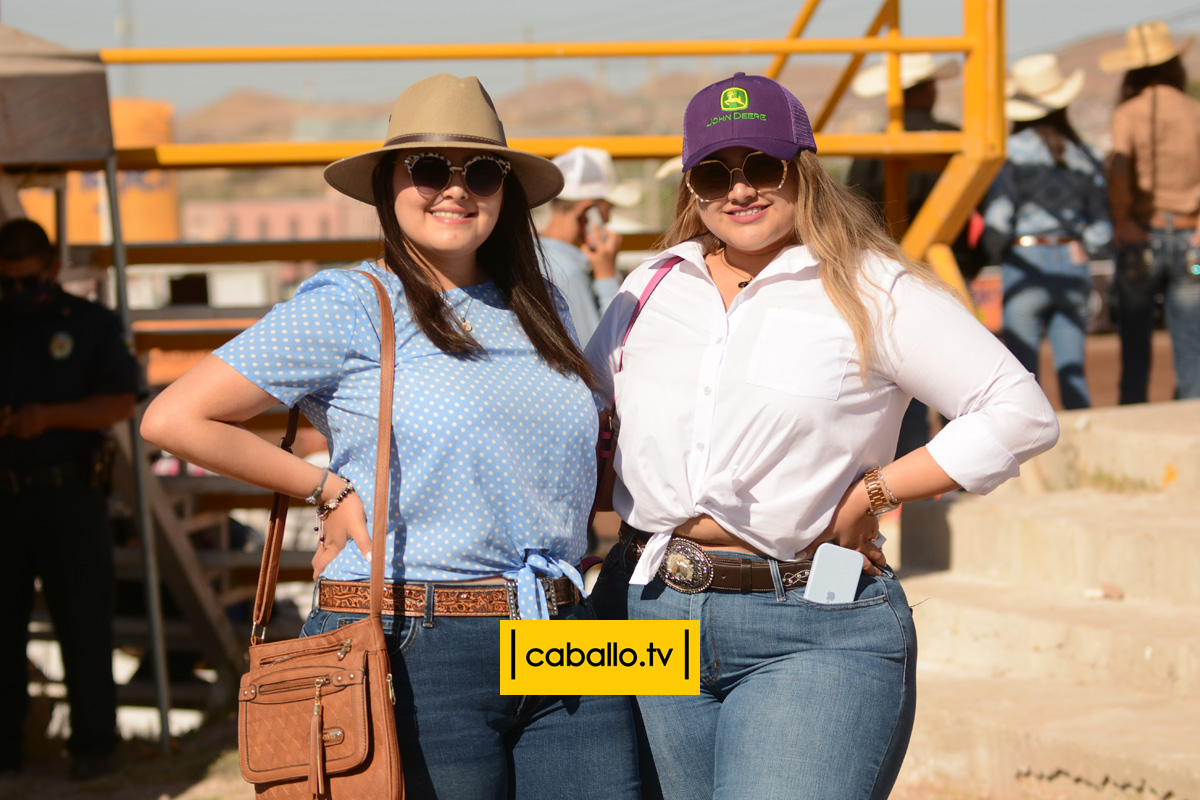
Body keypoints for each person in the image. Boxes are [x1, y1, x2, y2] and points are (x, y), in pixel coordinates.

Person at [140, 74, 639, 799]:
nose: (456, 189)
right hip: (415, 637)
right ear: (388, 185)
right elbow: (174, 418)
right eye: (430, 168)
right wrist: (324, 487)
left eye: (482, 172)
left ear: (506, 191)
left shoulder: (546, 305)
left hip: (564, 629)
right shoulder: (351, 303)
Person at [586, 73, 1059, 800]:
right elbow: (585, 415)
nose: (740, 190)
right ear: (691, 188)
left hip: (812, 621)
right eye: (714, 173)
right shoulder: (647, 288)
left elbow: (1018, 410)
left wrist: (877, 491)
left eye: (762, 167)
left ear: (803, 169)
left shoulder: (872, 286)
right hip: (651, 611)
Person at [0, 218, 141, 780]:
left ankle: (94, 748)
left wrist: (49, 417)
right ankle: (8, 751)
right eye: (7, 282)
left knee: (83, 623)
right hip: (5, 497)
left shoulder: (90, 323)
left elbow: (121, 401)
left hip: (69, 495)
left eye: (28, 281)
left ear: (53, 268)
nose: (17, 292)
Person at [846, 52, 965, 457]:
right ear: (929, 90)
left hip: (887, 276)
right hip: (948, 267)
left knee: (900, 375)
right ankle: (960, 462)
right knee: (960, 371)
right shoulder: (957, 141)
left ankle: (908, 468)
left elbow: (857, 213)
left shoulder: (872, 148)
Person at [979, 54, 1111, 410]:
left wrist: (994, 250)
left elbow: (999, 217)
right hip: (1072, 260)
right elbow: (1101, 224)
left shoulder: (1012, 153)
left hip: (1025, 260)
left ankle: (1030, 444)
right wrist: (1083, 245)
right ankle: (1082, 439)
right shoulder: (1085, 154)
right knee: (1073, 372)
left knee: (1021, 377)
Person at [1101, 20, 1200, 403]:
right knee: (1192, 345)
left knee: (1135, 345)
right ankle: (1192, 422)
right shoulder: (1194, 110)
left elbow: (1118, 170)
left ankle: (1133, 417)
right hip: (1192, 244)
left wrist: (1122, 218)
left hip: (1141, 239)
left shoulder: (1128, 113)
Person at [540, 146, 639, 345]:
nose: (608, 220)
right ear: (587, 211)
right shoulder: (568, 272)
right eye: (608, 210)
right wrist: (606, 276)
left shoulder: (534, 252)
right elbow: (603, 347)